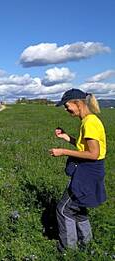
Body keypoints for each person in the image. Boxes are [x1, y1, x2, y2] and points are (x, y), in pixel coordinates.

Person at [49, 88, 107, 251]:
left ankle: (67, 248)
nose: (66, 109)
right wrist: (67, 138)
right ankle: (86, 244)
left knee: (64, 209)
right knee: (79, 209)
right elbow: (85, 147)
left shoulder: (90, 123)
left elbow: (93, 154)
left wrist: (62, 151)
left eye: (67, 106)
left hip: (87, 172)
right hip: (92, 171)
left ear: (78, 103)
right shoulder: (90, 121)